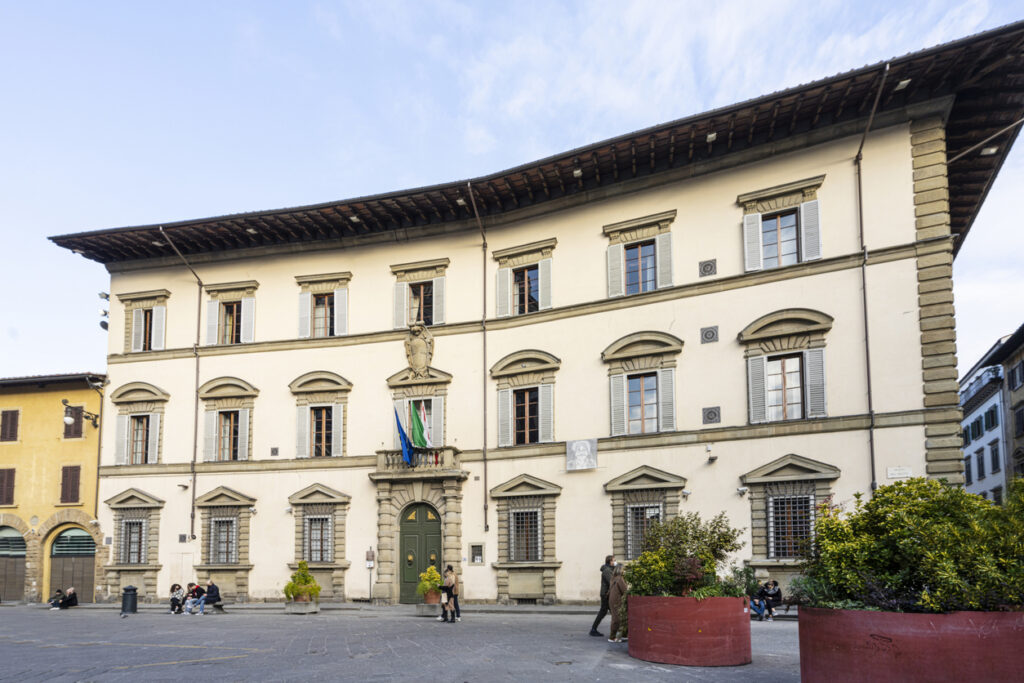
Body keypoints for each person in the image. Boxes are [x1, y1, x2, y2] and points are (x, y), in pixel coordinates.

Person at [589, 555, 615, 637]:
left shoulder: (609, 569)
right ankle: (593, 629)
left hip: (607, 593)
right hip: (606, 594)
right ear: (610, 561)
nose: (615, 562)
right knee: (610, 612)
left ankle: (594, 629)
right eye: (613, 560)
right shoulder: (607, 571)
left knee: (607, 612)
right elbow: (611, 581)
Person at [607, 564, 628, 643]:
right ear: (621, 570)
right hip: (617, 601)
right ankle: (612, 637)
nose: (624, 571)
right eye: (624, 569)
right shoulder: (619, 579)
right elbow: (625, 590)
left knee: (620, 618)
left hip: (612, 600)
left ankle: (624, 635)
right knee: (616, 619)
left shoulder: (613, 578)